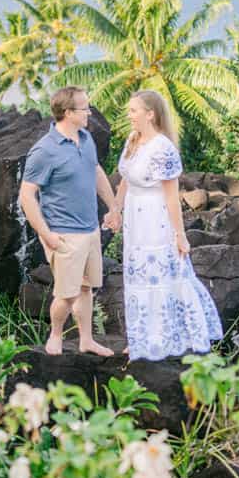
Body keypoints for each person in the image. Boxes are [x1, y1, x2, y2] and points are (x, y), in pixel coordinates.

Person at [113, 90, 221, 361]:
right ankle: (140, 339)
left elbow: (172, 196)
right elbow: (124, 179)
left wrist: (179, 235)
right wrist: (115, 209)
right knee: (137, 276)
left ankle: (163, 338)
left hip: (155, 217)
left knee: (159, 275)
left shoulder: (163, 148)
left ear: (150, 114)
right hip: (134, 220)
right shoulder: (133, 140)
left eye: (134, 110)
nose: (129, 115)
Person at [19, 86, 121, 357]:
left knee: (86, 289)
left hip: (90, 229)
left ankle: (86, 339)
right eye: (83, 108)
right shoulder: (44, 151)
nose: (89, 112)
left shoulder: (85, 138)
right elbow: (27, 197)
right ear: (67, 113)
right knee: (65, 294)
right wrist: (46, 234)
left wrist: (113, 207)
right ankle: (54, 336)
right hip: (63, 233)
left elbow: (96, 172)